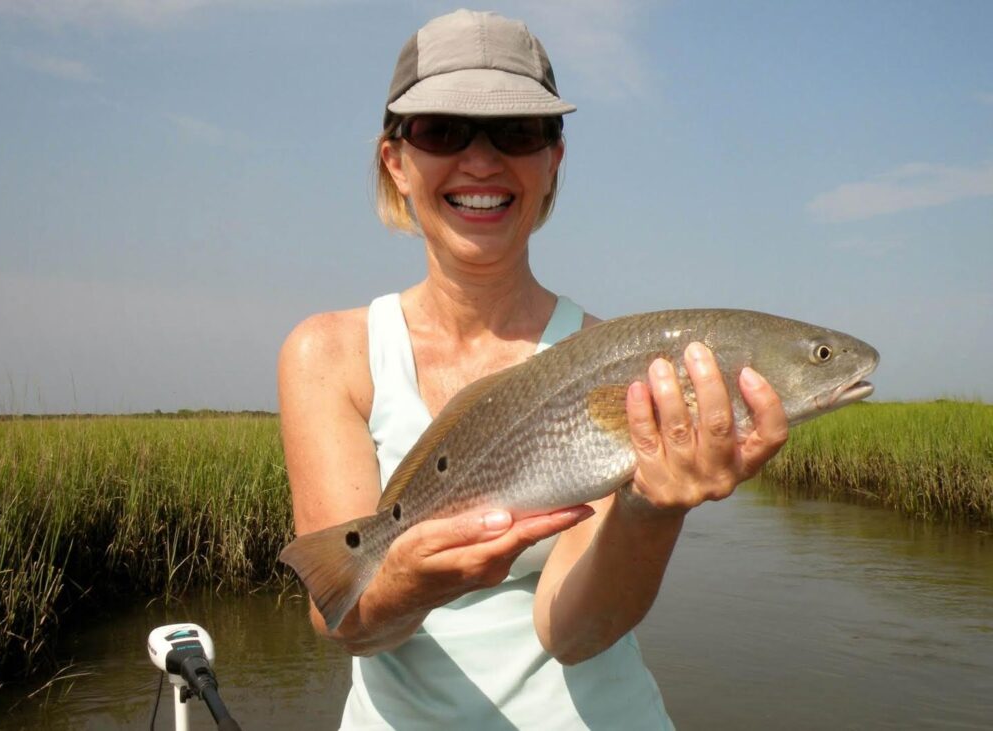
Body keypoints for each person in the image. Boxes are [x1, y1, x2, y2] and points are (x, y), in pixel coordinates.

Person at [278, 9, 788, 729]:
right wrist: (406, 579)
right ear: (394, 159)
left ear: (554, 158)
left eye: (517, 131)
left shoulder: (623, 362)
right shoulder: (325, 354)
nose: (481, 161)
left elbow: (571, 633)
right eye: (442, 130)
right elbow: (349, 622)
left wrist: (652, 507)